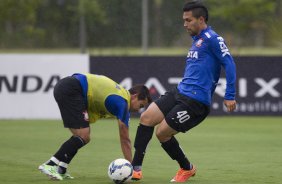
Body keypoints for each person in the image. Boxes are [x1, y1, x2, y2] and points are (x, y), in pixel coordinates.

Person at [131, 0, 236, 183]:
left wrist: (230, 95)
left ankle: (186, 168)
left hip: (196, 102)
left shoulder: (213, 39)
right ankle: (135, 169)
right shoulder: (197, 40)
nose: (184, 24)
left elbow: (230, 63)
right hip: (179, 92)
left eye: (188, 20)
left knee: (162, 133)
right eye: (184, 20)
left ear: (201, 19)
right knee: (146, 118)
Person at [38, 73, 152, 180]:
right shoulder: (122, 103)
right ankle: (50, 164)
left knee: (80, 137)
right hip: (72, 89)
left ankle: (61, 169)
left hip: (66, 86)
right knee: (84, 136)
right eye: (141, 105)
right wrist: (131, 169)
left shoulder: (120, 95)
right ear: (134, 96)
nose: (139, 109)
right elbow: (125, 139)